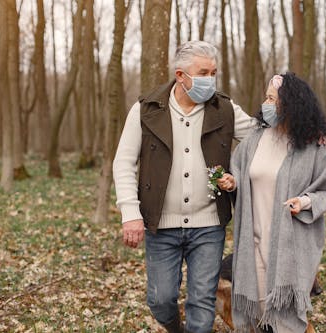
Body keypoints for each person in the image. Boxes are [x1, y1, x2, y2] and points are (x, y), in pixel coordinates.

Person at [112, 41, 256, 333]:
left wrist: (305, 130)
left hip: (209, 223)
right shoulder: (146, 110)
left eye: (213, 72)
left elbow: (261, 137)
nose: (210, 79)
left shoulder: (224, 109)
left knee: (202, 301)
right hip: (161, 224)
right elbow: (123, 162)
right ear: (180, 75)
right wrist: (130, 213)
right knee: (160, 299)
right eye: (203, 72)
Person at [217, 73, 326, 333]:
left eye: (272, 99)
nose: (266, 104)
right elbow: (240, 171)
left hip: (290, 245)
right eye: (266, 98)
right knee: (260, 309)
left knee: (285, 316)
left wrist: (304, 202)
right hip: (254, 241)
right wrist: (232, 182)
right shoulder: (254, 139)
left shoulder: (313, 147)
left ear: (291, 104)